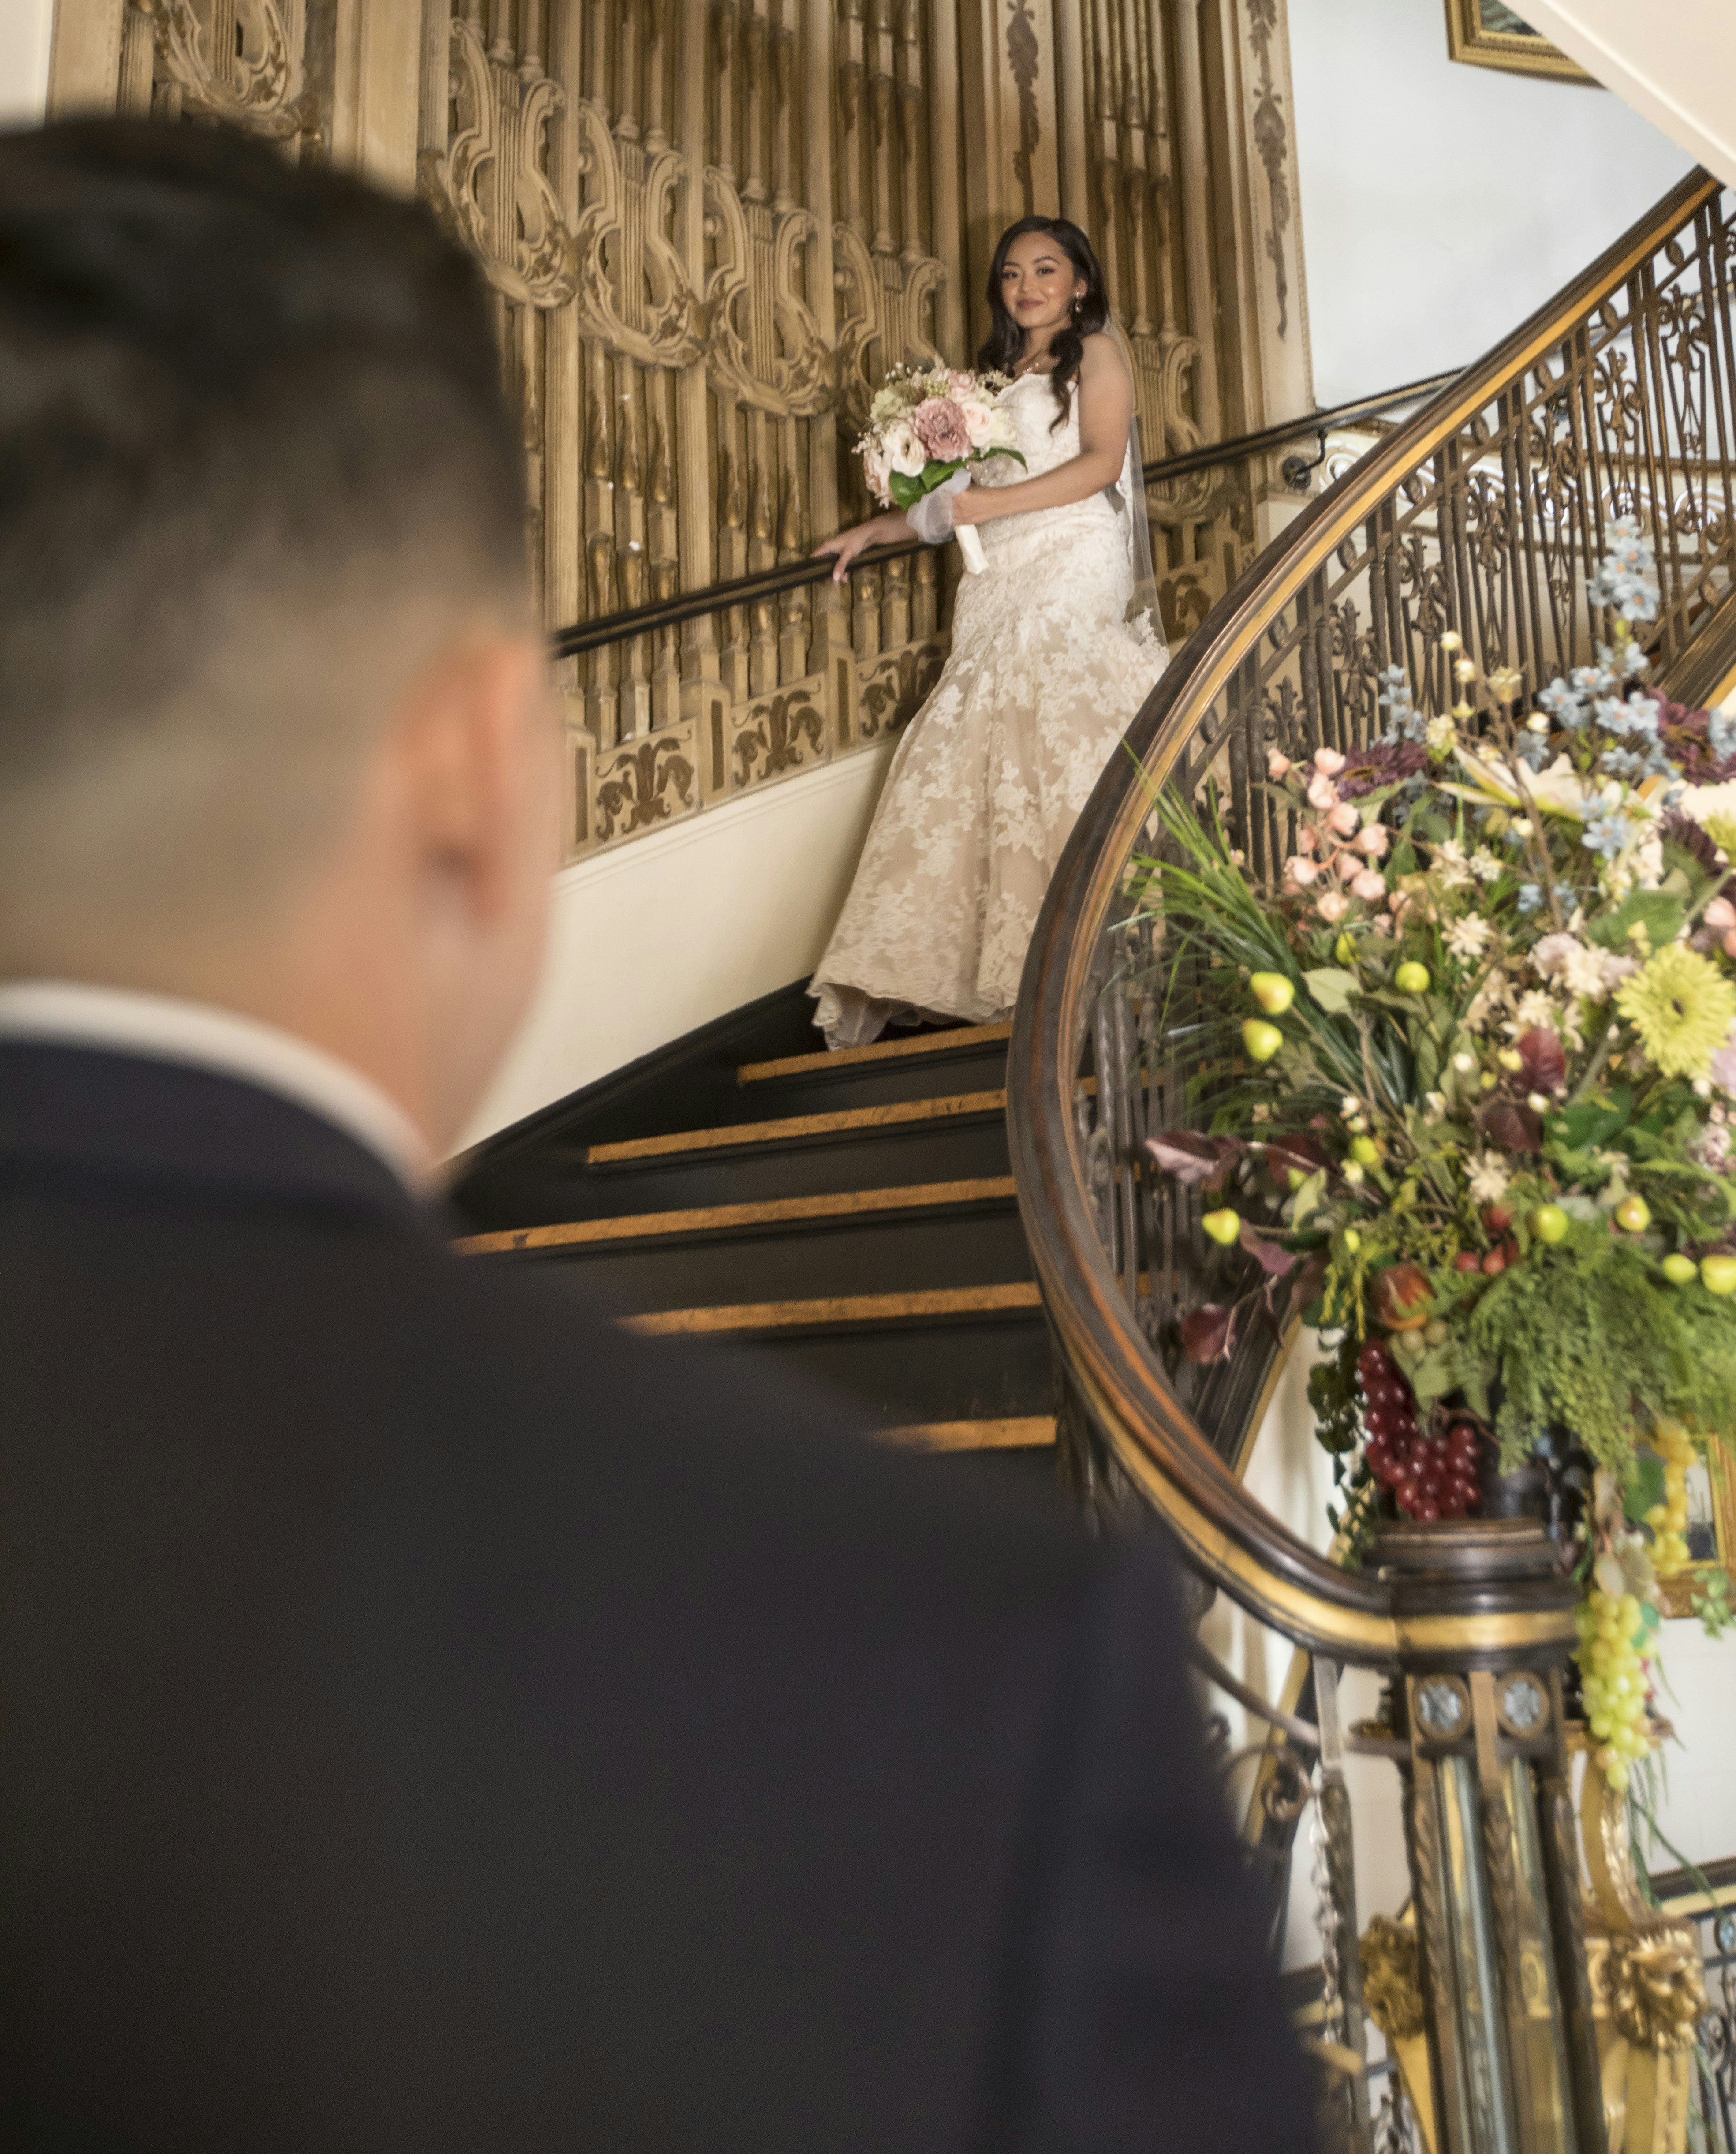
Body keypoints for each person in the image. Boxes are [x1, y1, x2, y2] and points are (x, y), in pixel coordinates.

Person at [0, 121, 1309, 2154]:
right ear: (476, 769)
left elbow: (1091, 480)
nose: (1040, 290)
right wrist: (915, 516)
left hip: (1061, 577)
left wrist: (964, 481)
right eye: (1023, 274)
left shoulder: (1102, 373)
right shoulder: (967, 1671)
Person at [810, 217, 1169, 1047]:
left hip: (1071, 549)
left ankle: (1110, 939)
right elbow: (952, 493)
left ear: (1080, 282)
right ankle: (1017, 959)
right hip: (991, 571)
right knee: (983, 731)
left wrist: (986, 507)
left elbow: (1101, 465)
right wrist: (877, 531)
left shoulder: (1097, 355)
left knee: (1054, 702)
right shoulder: (985, 381)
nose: (1027, 285)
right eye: (1012, 273)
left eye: (1046, 269)